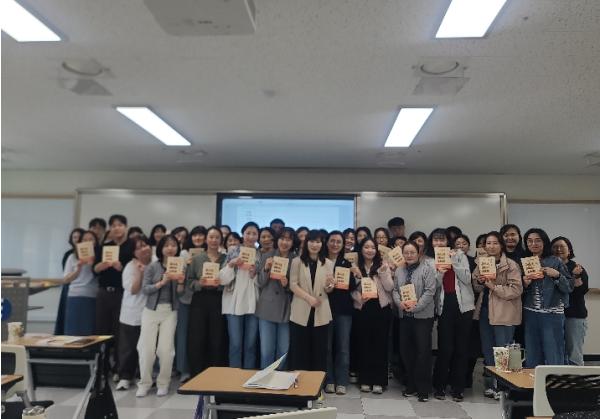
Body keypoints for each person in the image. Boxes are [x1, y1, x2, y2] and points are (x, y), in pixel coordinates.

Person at [472, 231, 523, 398]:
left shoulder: (511, 265)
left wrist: (493, 286)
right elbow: (477, 287)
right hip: (485, 311)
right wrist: (479, 281)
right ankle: (494, 385)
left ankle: (506, 387)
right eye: (488, 243)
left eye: (495, 243)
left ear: (501, 245)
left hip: (504, 312)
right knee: (488, 351)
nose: (491, 246)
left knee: (504, 351)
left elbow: (516, 290)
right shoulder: (482, 262)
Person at [428, 228, 474, 402]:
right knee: (445, 348)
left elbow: (467, 278)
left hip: (464, 307)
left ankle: (458, 388)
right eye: (436, 240)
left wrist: (453, 260)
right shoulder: (430, 260)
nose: (439, 243)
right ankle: (439, 386)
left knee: (461, 349)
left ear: (448, 241)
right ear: (432, 242)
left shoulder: (460, 255)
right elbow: (433, 285)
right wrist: (440, 270)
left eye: (442, 240)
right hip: (444, 306)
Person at [137, 235, 185, 397]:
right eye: (166, 245)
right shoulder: (152, 267)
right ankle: (144, 383)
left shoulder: (180, 266)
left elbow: (181, 293)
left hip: (170, 311)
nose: (170, 248)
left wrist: (180, 282)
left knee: (166, 350)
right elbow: (145, 289)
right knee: (146, 349)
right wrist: (161, 283)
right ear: (161, 248)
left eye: (173, 245)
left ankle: (163, 383)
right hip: (151, 311)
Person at [522, 228, 573, 367]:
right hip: (531, 312)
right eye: (530, 241)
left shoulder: (556, 261)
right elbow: (521, 292)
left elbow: (569, 287)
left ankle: (555, 381)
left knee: (554, 352)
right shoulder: (525, 262)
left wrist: (557, 275)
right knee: (532, 354)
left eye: (538, 240)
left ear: (544, 242)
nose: (533, 244)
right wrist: (525, 284)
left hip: (552, 312)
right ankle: (534, 381)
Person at [393, 241, 436, 403]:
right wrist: (400, 304)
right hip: (405, 317)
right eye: (406, 252)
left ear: (419, 253)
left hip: (422, 317)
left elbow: (430, 291)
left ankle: (423, 388)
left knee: (422, 353)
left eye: (412, 252)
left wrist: (416, 307)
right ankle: (411, 384)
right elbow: (395, 290)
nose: (409, 255)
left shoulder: (427, 269)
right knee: (406, 351)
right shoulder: (399, 270)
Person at [351, 238, 394, 394]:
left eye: (373, 247)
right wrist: (358, 297)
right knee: (363, 344)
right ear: (361, 249)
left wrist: (383, 272)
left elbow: (390, 287)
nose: (370, 250)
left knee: (380, 345)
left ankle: (379, 381)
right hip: (362, 308)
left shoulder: (383, 265)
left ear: (377, 250)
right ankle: (365, 379)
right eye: (366, 247)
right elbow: (349, 289)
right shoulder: (355, 266)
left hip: (381, 309)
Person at [94, 214, 134, 379]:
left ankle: (119, 369)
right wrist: (102, 265)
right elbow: (94, 269)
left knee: (120, 333)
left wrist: (121, 268)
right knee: (101, 332)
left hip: (122, 294)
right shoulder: (105, 246)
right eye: (114, 225)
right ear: (110, 228)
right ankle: (101, 369)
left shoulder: (132, 246)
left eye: (120, 225)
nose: (117, 228)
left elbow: (136, 270)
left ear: (126, 227)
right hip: (103, 292)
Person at [289, 230, 335, 372]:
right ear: (306, 242)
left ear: (322, 244)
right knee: (300, 350)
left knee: (320, 351)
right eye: (312, 241)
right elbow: (293, 285)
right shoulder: (297, 261)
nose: (315, 245)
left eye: (318, 242)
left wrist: (330, 286)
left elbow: (328, 289)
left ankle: (317, 384)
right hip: (301, 309)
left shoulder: (328, 263)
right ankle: (300, 382)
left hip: (321, 311)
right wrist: (309, 298)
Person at [186, 226, 228, 375]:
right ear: (206, 239)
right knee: (197, 337)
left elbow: (230, 282)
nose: (214, 240)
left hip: (219, 300)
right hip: (200, 300)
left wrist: (220, 285)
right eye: (211, 237)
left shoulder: (226, 259)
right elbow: (189, 281)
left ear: (221, 240)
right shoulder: (197, 259)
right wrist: (199, 283)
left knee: (217, 337)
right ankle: (197, 373)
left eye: (217, 237)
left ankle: (215, 374)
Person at [219, 221, 261, 369]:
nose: (251, 236)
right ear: (242, 234)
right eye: (248, 233)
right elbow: (222, 280)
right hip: (233, 303)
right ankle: (234, 376)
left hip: (253, 303)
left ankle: (248, 376)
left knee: (250, 345)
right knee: (235, 344)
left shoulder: (260, 254)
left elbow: (263, 282)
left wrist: (255, 274)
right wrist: (231, 264)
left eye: (254, 233)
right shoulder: (233, 252)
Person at [256, 227, 296, 369]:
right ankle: (265, 378)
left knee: (283, 350)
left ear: (293, 242)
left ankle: (280, 379)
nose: (284, 242)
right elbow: (260, 282)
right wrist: (266, 269)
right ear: (277, 240)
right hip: (267, 308)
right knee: (266, 350)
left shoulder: (296, 259)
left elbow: (298, 286)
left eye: (288, 239)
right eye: (282, 238)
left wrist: (287, 285)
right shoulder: (267, 256)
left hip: (286, 309)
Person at [116, 235, 152, 391]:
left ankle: (143, 375)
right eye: (138, 248)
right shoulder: (130, 267)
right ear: (133, 253)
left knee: (147, 347)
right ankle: (125, 376)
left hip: (151, 312)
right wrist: (140, 273)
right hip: (132, 313)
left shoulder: (156, 263)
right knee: (129, 347)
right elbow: (133, 289)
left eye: (145, 245)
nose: (143, 249)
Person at [324, 231, 356, 395]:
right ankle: (329, 380)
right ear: (327, 242)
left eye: (338, 242)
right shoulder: (321, 261)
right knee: (327, 347)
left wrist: (354, 274)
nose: (335, 244)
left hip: (343, 310)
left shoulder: (347, 263)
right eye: (332, 241)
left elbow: (353, 287)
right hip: (324, 309)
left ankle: (342, 380)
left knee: (343, 347)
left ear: (343, 245)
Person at [551, 236, 589, 365]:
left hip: (573, 316)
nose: (558, 249)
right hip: (553, 316)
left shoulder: (577, 268)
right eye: (555, 247)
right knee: (557, 352)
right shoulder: (549, 267)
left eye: (562, 246)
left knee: (574, 353)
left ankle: (576, 378)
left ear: (569, 250)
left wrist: (575, 276)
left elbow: (582, 290)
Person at [177, 225, 208, 381]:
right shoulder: (183, 253)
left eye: (201, 235)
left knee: (199, 336)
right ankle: (184, 370)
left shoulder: (209, 254)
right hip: (186, 299)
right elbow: (179, 275)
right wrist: (188, 265)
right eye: (195, 235)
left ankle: (200, 368)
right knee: (183, 335)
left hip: (202, 299)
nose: (198, 238)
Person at [63, 230, 99, 336]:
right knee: (72, 331)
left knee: (88, 332)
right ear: (80, 242)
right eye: (85, 239)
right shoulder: (72, 257)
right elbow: (66, 279)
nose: (88, 242)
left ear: (96, 242)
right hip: (75, 296)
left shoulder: (99, 256)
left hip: (92, 297)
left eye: (91, 239)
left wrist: (93, 264)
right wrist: (78, 268)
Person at [55, 227, 85, 335]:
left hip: (85, 290)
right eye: (74, 237)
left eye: (79, 237)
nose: (77, 239)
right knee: (67, 317)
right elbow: (66, 275)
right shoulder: (69, 255)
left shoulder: (90, 253)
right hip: (69, 287)